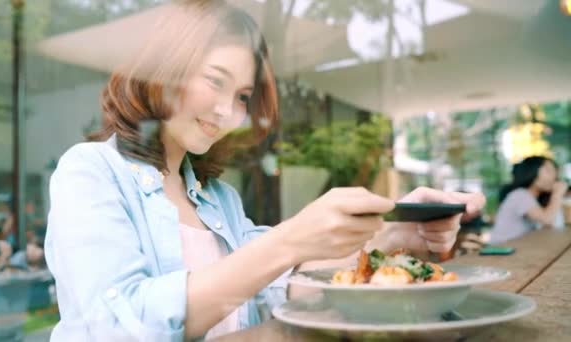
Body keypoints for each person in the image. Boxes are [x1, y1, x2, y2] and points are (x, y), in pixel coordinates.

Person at [44, 1, 485, 341]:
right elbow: (116, 329)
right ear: (165, 70)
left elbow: (280, 288)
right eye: (215, 81)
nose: (227, 111)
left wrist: (391, 235)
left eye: (241, 96)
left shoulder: (218, 199)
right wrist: (288, 239)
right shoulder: (89, 172)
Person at [490, 156, 569, 244]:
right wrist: (557, 194)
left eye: (555, 171)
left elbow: (552, 226)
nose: (554, 176)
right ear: (532, 171)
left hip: (519, 247)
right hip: (501, 250)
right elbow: (548, 221)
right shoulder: (520, 195)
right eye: (548, 171)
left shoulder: (534, 198)